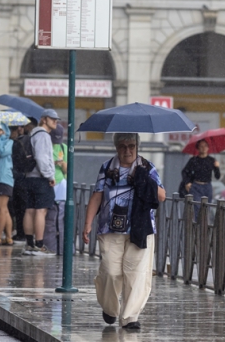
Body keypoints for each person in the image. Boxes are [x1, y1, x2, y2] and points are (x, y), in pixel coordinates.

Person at [82, 133, 165, 330]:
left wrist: (144, 180)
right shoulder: (107, 167)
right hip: (110, 228)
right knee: (111, 272)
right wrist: (87, 223)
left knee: (135, 274)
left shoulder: (147, 167)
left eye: (131, 146)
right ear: (116, 147)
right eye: (122, 146)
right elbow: (97, 196)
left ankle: (130, 317)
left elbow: (162, 195)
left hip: (140, 228)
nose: (127, 150)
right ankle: (110, 309)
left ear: (137, 147)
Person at [23, 109, 59, 255]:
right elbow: (42, 158)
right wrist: (50, 176)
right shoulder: (43, 135)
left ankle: (29, 243)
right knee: (40, 211)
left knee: (29, 210)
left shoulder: (32, 134)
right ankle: (39, 244)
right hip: (40, 178)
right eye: (53, 119)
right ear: (44, 119)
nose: (56, 122)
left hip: (29, 177)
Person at [44, 124, 67, 254]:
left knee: (61, 219)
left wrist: (62, 163)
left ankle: (63, 249)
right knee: (49, 219)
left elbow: (67, 170)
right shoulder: (45, 147)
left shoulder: (64, 148)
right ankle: (50, 247)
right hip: (48, 184)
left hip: (61, 186)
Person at [181, 139, 220, 204]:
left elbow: (217, 176)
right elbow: (185, 172)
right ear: (198, 148)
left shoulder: (211, 160)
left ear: (208, 148)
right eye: (201, 146)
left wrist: (217, 167)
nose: (203, 148)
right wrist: (187, 182)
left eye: (205, 146)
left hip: (207, 186)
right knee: (197, 206)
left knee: (207, 207)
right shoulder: (193, 160)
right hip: (196, 186)